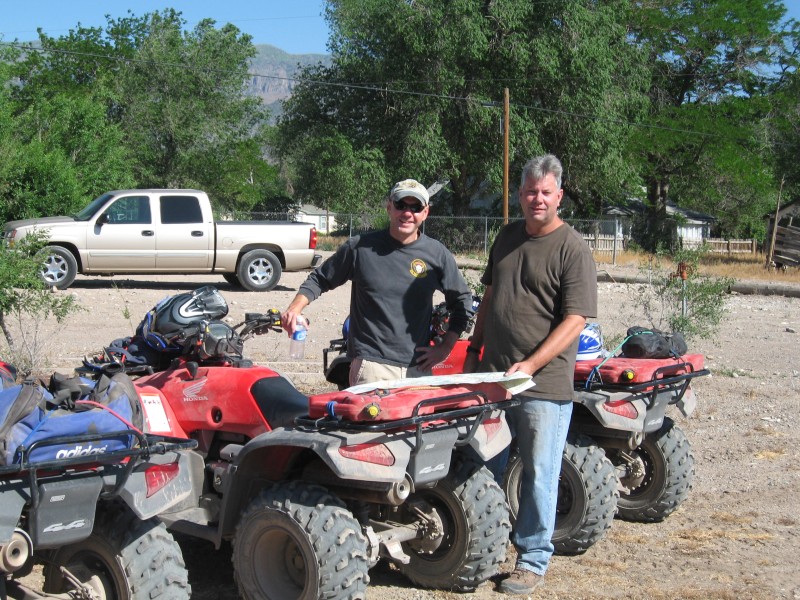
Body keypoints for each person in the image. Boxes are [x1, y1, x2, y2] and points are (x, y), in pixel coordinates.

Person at [463, 155, 597, 595]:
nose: (536, 199)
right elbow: (489, 297)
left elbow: (576, 319)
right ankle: (488, 543)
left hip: (543, 384)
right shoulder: (506, 236)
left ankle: (533, 560)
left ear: (559, 196)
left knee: (540, 471)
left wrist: (533, 364)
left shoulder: (572, 248)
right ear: (519, 195)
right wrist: (474, 349)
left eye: (545, 192)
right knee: (485, 465)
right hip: (493, 380)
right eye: (529, 191)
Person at [281, 178, 474, 386]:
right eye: (401, 205)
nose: (407, 213)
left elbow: (462, 300)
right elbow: (320, 279)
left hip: (418, 369)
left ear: (425, 213)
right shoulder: (360, 248)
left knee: (418, 420)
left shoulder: (437, 254)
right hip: (372, 366)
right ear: (389, 207)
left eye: (415, 207)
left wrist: (446, 347)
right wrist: (295, 309)